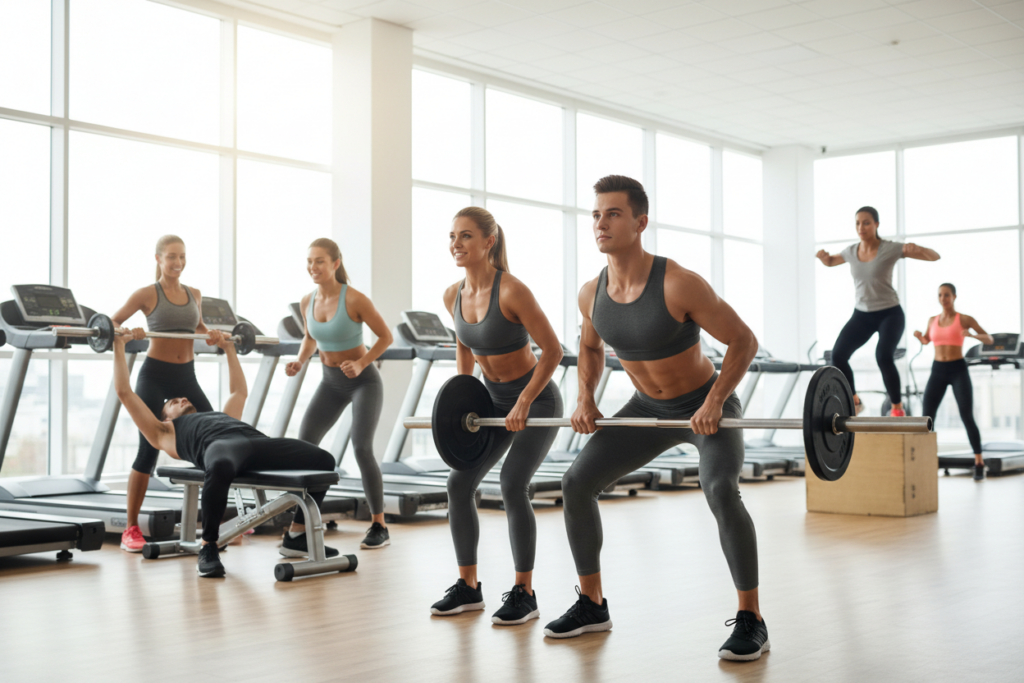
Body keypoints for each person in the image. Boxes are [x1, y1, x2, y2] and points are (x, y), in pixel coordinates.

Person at [545, 175, 766, 662]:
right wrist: (585, 398)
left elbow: (743, 340)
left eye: (614, 214)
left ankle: (751, 617)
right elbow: (588, 346)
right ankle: (592, 603)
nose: (601, 223)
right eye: (597, 214)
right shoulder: (591, 293)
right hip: (647, 408)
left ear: (641, 222)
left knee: (721, 490)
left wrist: (713, 402)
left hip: (706, 404)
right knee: (576, 482)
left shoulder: (678, 282)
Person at [112, 327, 339, 578]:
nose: (182, 399)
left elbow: (239, 392)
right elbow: (124, 392)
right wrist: (118, 345)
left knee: (324, 459)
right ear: (165, 417)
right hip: (219, 447)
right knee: (219, 465)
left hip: (256, 441)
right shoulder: (162, 432)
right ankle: (209, 546)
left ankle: (296, 536)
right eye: (173, 402)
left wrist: (230, 348)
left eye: (181, 398)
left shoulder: (217, 415)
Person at [430, 207, 564, 626]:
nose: (456, 244)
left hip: (536, 400)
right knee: (459, 482)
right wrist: (462, 398)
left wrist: (524, 400)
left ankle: (524, 592)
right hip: (490, 403)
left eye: (466, 236)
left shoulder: (512, 291)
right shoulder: (452, 294)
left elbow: (554, 351)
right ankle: (468, 586)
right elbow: (465, 348)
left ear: (489, 242)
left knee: (512, 482)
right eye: (452, 236)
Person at [111, 235, 216, 553]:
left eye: (182, 257)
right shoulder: (146, 294)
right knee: (148, 449)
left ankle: (215, 524)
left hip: (187, 375)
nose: (178, 263)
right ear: (158, 258)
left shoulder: (194, 293)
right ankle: (130, 529)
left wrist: (210, 334)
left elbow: (197, 326)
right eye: (171, 257)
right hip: (154, 375)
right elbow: (113, 322)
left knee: (214, 436)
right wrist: (132, 333)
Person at [287, 238, 394, 550]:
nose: (313, 267)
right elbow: (309, 338)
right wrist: (300, 359)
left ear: (335, 263)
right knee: (304, 448)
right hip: (329, 382)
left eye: (320, 261)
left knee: (361, 448)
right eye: (310, 261)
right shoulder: (307, 301)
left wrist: (361, 363)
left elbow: (385, 337)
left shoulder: (355, 299)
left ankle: (379, 524)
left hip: (363, 382)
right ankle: (297, 528)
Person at [816, 207, 940, 416]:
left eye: (866, 222)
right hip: (862, 314)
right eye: (857, 223)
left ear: (876, 225)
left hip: (889, 313)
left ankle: (897, 409)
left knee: (883, 356)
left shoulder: (890, 248)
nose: (861, 227)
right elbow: (830, 262)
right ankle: (855, 401)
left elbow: (934, 257)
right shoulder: (851, 251)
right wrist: (823, 257)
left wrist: (917, 248)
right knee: (838, 355)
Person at [914, 283, 993, 480]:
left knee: (966, 415)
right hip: (938, 369)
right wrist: (919, 337)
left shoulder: (964, 319)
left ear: (954, 296)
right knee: (927, 416)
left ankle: (979, 462)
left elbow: (989, 339)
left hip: (958, 369)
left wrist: (973, 335)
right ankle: (926, 459)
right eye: (940, 295)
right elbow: (927, 340)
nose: (943, 298)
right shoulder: (932, 320)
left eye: (947, 295)